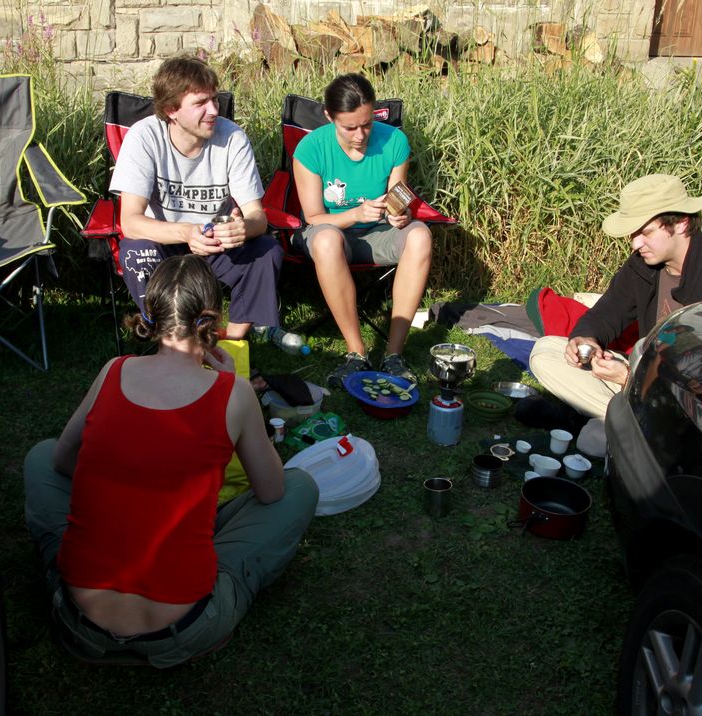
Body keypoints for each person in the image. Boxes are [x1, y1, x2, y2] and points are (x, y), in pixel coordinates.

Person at [23, 255, 318, 667]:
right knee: (300, 486)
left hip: (81, 625)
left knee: (38, 456)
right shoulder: (233, 392)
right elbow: (271, 491)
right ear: (212, 323)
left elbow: (60, 459)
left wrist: (115, 480)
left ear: (153, 315)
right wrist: (234, 386)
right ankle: (215, 598)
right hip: (184, 629)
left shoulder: (113, 370)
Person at [529, 174, 702, 419]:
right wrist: (586, 339)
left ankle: (621, 424)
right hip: (642, 375)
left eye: (645, 233)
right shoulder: (643, 265)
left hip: (693, 400)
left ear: (680, 223)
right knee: (546, 351)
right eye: (632, 234)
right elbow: (608, 312)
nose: (635, 244)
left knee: (594, 440)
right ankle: (625, 422)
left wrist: (629, 377)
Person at [109, 56, 284, 340]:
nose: (213, 110)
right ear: (171, 110)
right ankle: (174, 339)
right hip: (164, 245)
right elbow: (130, 222)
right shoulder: (144, 137)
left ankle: (230, 341)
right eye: (201, 103)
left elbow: (258, 218)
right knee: (135, 251)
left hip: (216, 246)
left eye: (214, 99)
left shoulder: (232, 138)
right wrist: (187, 232)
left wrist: (242, 229)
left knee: (266, 250)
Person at [291, 73, 433, 388]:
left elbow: (399, 196)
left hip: (378, 231)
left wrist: (400, 215)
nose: (360, 135)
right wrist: (355, 213)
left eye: (367, 124)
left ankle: (394, 355)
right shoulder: (310, 149)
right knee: (327, 241)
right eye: (350, 127)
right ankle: (356, 352)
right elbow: (313, 218)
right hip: (329, 232)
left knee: (420, 235)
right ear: (330, 117)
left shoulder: (393, 141)